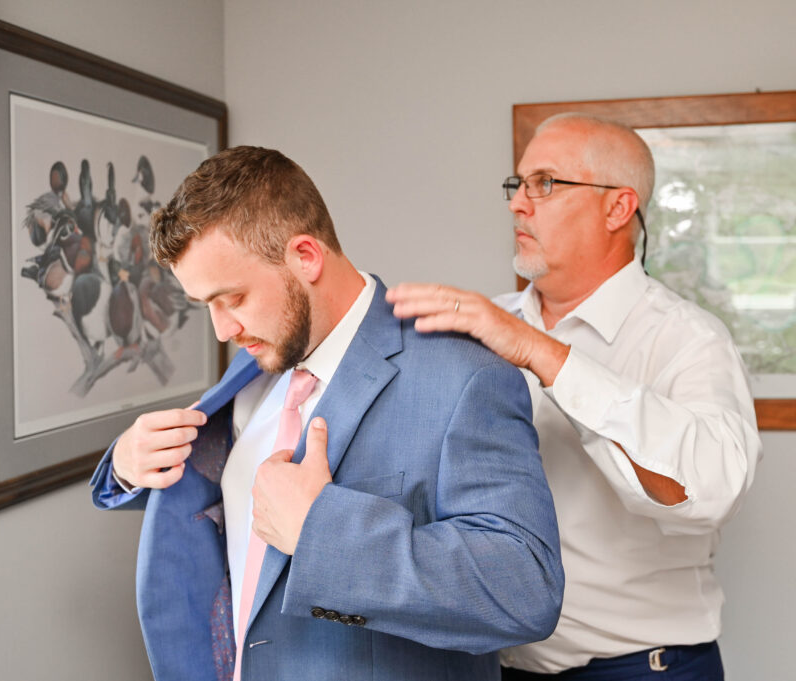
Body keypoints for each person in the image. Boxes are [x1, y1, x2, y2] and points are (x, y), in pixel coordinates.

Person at [90, 146, 564, 681]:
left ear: (305, 257)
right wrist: (129, 464)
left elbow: (525, 589)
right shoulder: (258, 361)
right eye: (208, 307)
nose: (222, 330)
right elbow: (215, 496)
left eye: (235, 298)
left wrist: (322, 533)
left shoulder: (465, 378)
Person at [387, 113, 762, 680]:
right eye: (518, 185)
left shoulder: (688, 339)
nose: (518, 204)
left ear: (618, 208)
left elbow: (710, 490)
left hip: (644, 670)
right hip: (497, 667)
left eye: (546, 183)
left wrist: (544, 355)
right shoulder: (480, 325)